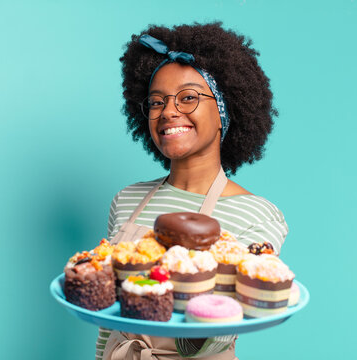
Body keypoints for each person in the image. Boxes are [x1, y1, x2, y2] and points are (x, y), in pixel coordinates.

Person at [96, 22, 288, 360]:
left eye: (188, 97)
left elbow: (228, 325)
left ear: (224, 112)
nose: (169, 111)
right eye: (156, 102)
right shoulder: (125, 199)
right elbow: (107, 322)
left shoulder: (257, 214)